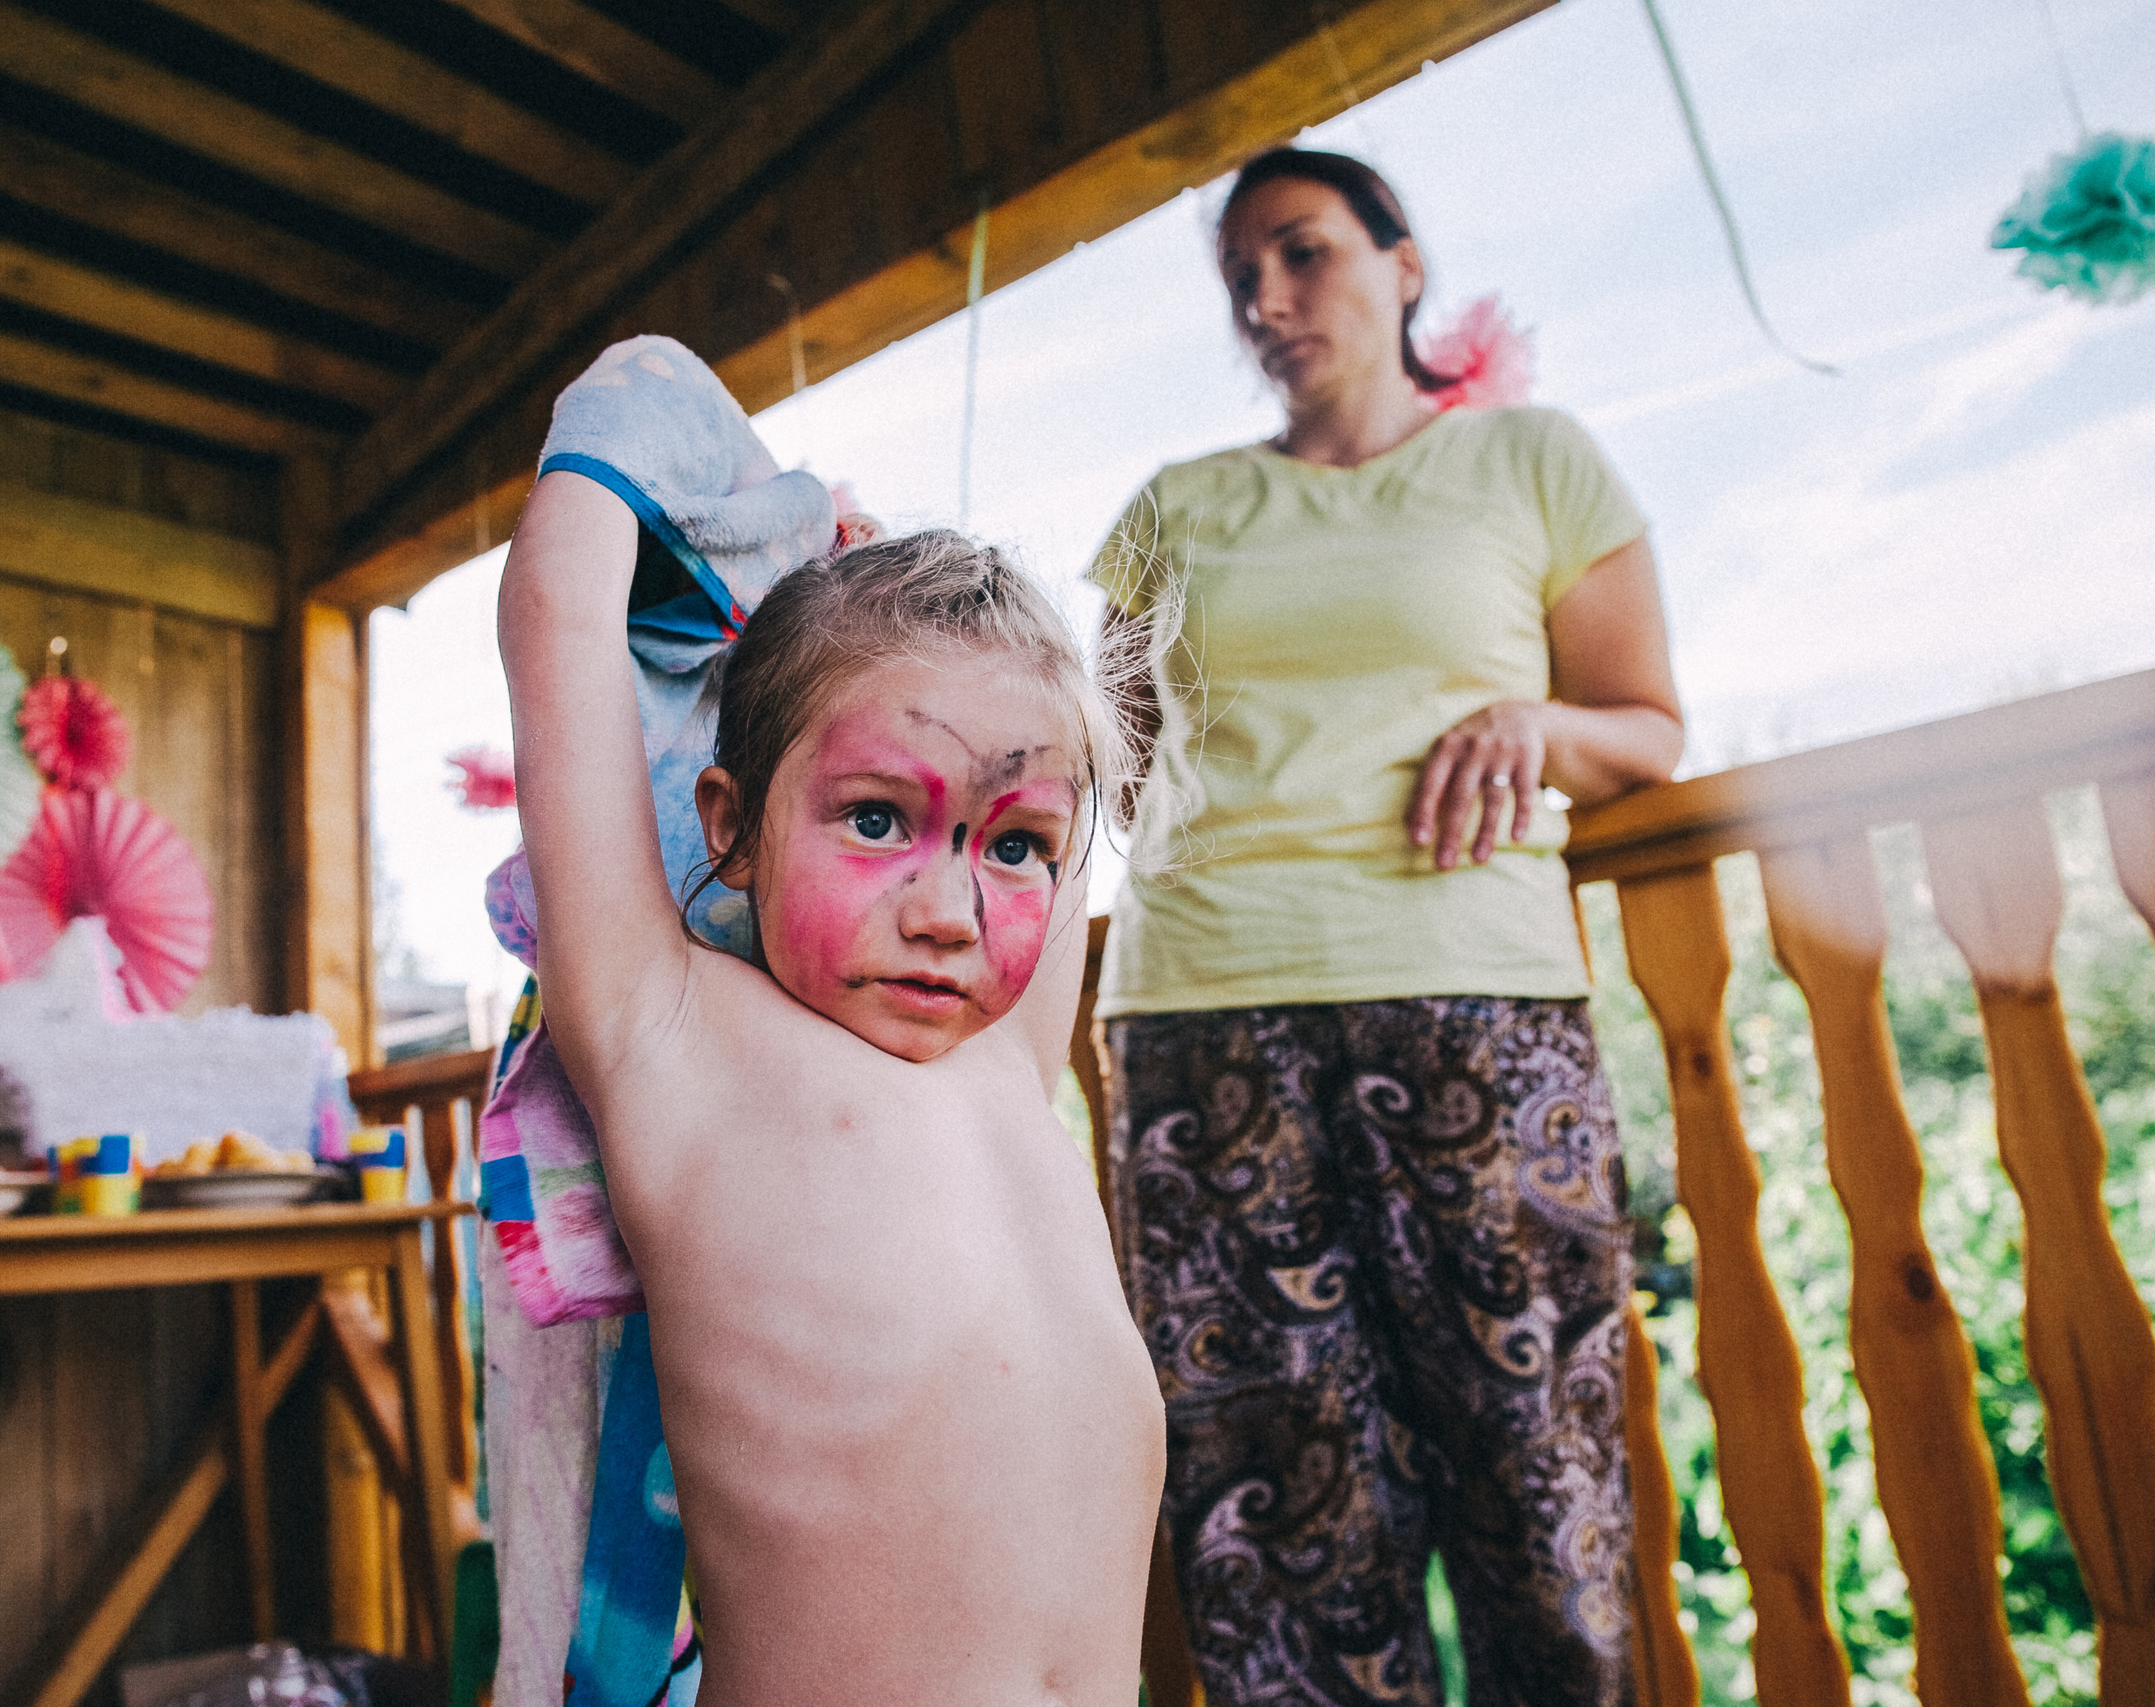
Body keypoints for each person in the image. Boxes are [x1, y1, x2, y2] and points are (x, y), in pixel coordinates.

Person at [1092, 147, 1684, 1707]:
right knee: (1282, 1536)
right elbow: (1107, 758)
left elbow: (1648, 727)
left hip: (1477, 1006)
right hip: (1201, 1010)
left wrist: (1535, 721)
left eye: (1302, 254)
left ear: (1402, 262)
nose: (1269, 301)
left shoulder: (1535, 461)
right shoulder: (1173, 508)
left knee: (1540, 1494)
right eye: (1241, 280)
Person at [500, 487, 1167, 1704]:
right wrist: (749, 502)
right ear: (733, 827)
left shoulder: (1010, 1056)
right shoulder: (673, 1036)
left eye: (1012, 847)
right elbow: (559, 606)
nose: (947, 914)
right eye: (875, 817)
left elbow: (1070, 780)